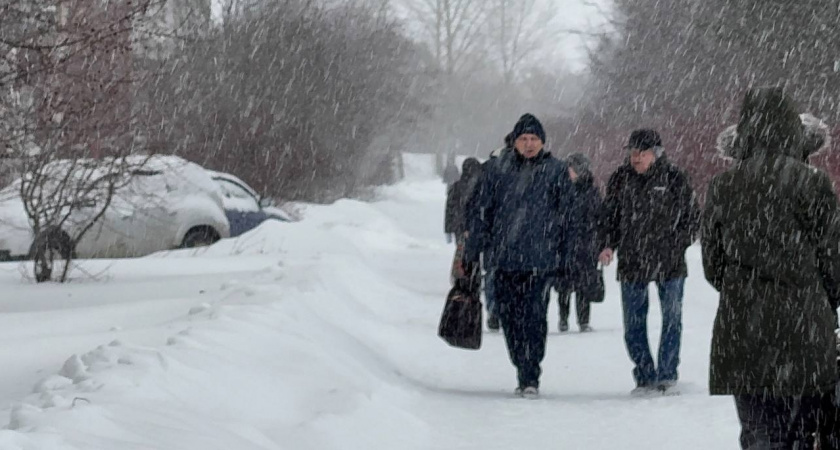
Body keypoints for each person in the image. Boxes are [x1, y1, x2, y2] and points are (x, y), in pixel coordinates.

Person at [702, 86, 840, 449]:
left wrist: (743, 286)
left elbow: (712, 264)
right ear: (794, 131)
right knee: (803, 431)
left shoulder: (722, 186)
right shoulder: (813, 183)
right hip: (804, 326)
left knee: (759, 430)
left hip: (743, 325)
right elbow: (833, 259)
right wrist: (822, 299)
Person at [463, 113, 574, 398]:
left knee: (535, 317)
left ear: (543, 142)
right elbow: (480, 213)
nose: (528, 144)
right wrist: (472, 252)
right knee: (510, 318)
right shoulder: (496, 170)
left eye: (533, 139)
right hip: (503, 259)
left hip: (540, 261)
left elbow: (570, 218)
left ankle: (531, 374)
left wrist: (568, 256)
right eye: (523, 139)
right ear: (514, 141)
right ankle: (520, 364)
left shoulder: (556, 171)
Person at [598, 128, 700, 396]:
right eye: (632, 153)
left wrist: (678, 242)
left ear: (656, 154)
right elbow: (609, 216)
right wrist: (607, 244)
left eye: (641, 153)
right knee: (633, 323)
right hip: (632, 260)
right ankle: (644, 375)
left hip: (670, 262)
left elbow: (692, 218)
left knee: (672, 319)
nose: (636, 158)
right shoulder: (620, 180)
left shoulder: (675, 178)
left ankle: (667, 374)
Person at [555, 153, 602, 333]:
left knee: (583, 285)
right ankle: (563, 319)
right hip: (565, 244)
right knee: (564, 286)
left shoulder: (590, 191)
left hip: (585, 245)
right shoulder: (561, 189)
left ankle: (583, 320)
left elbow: (598, 216)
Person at [483, 131, 515, 331]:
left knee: (494, 275)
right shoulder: (526, 168)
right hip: (507, 234)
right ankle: (505, 311)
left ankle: (495, 310)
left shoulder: (490, 167)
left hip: (495, 234)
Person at [445, 158, 483, 288]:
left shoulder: (456, 186)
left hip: (459, 226)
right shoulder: (480, 187)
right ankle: (472, 276)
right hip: (472, 225)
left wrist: (449, 228)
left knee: (461, 251)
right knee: (473, 253)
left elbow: (449, 208)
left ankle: (461, 275)